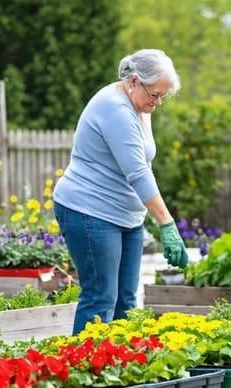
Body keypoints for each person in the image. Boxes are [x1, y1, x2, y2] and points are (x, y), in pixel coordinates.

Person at [53, 49, 188, 335]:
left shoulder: (140, 104)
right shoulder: (115, 109)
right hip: (90, 211)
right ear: (135, 81)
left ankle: (122, 372)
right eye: (154, 95)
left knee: (127, 302)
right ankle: (83, 371)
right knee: (101, 297)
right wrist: (167, 224)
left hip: (127, 217)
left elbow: (143, 164)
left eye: (163, 96)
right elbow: (137, 172)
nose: (158, 102)